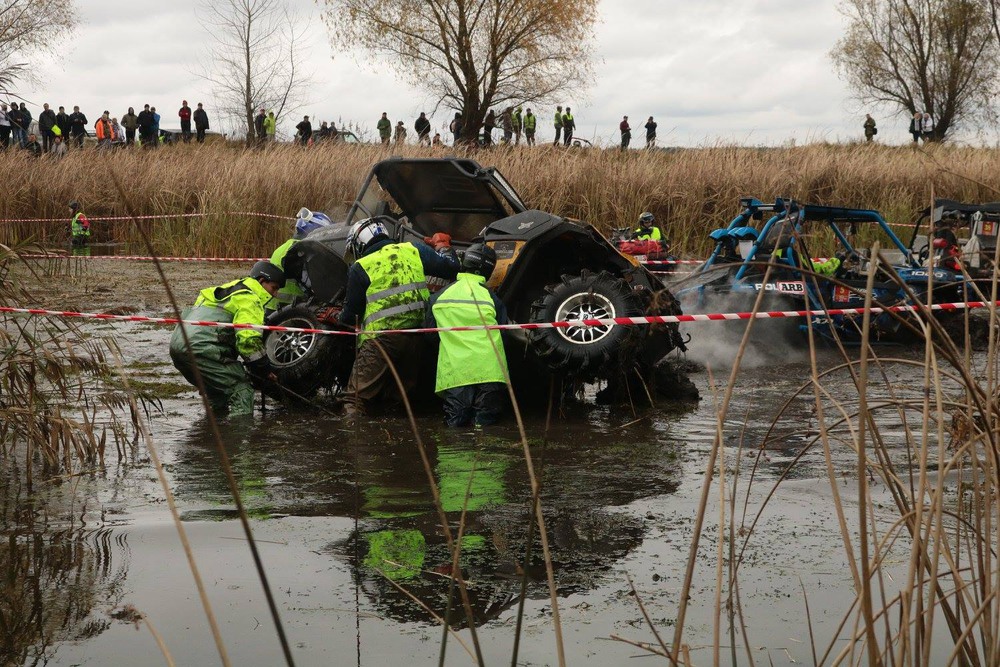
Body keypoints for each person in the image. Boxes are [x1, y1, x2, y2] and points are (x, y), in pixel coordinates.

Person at [336, 217, 459, 418]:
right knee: (397, 399)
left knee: (355, 398)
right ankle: (394, 440)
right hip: (416, 337)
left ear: (360, 243)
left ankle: (354, 443)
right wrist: (443, 246)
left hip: (381, 340)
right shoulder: (414, 250)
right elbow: (451, 267)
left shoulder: (361, 266)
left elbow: (351, 316)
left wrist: (336, 315)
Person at [169, 261, 286, 416]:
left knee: (217, 393)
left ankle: (211, 432)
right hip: (202, 349)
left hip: (177, 346)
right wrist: (263, 368)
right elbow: (248, 340)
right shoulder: (250, 299)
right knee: (241, 390)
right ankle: (238, 436)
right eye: (274, 288)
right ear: (261, 281)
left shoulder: (217, 292)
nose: (275, 294)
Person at [427, 243, 509, 427]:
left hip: (456, 374)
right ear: (488, 271)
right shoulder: (493, 299)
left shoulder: (438, 297)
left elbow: (430, 335)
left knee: (455, 430)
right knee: (487, 433)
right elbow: (504, 334)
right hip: (491, 373)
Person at [268, 207, 333, 310]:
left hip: (273, 306)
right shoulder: (301, 250)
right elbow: (310, 282)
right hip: (289, 309)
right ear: (316, 230)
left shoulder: (284, 247)